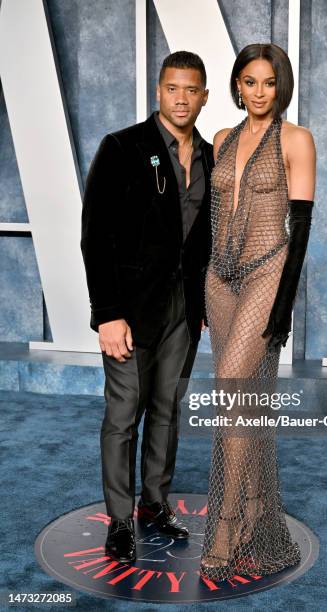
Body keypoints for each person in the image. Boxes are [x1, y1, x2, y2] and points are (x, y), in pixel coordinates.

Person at [80, 51, 213, 563]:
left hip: (183, 307)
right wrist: (106, 312)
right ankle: (119, 517)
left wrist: (199, 302)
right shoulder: (121, 147)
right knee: (123, 414)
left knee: (166, 410)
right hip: (130, 311)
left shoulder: (208, 154)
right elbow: (96, 236)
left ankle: (154, 504)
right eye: (172, 88)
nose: (182, 98)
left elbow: (200, 237)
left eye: (192, 89)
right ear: (159, 91)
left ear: (203, 96)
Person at [200, 43, 316, 580]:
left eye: (269, 83)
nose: (259, 93)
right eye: (249, 82)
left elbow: (302, 231)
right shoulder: (222, 139)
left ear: (282, 86)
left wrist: (283, 308)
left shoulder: (296, 140)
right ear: (237, 85)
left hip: (268, 272)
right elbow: (207, 214)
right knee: (238, 403)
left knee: (231, 385)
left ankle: (227, 523)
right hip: (219, 279)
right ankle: (252, 512)